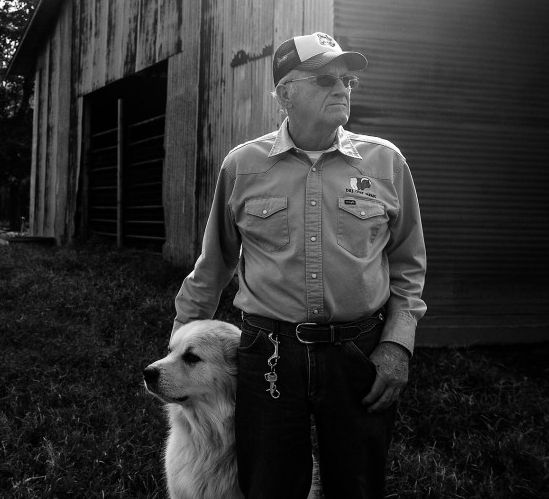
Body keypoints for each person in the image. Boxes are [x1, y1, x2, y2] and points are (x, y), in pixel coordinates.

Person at [170, 32, 426, 499]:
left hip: (359, 353)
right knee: (269, 485)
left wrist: (397, 345)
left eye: (347, 79)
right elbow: (214, 265)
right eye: (326, 78)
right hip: (268, 355)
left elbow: (408, 264)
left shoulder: (385, 162)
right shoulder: (243, 166)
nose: (343, 88)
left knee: (358, 484)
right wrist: (180, 346)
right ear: (286, 93)